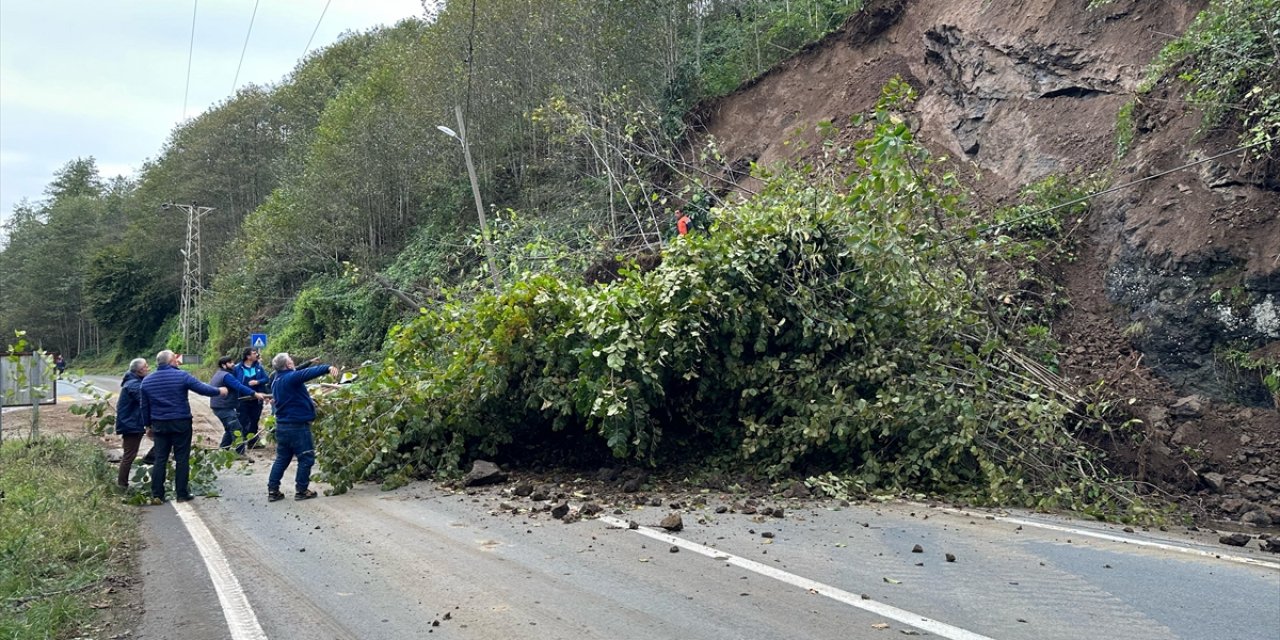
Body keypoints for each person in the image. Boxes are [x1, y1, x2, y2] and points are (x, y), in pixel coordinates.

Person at [139, 349, 227, 504]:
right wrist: (219, 391)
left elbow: (144, 407)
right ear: (172, 361)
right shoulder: (182, 376)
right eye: (175, 359)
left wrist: (147, 426)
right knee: (182, 458)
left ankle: (157, 494)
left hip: (159, 423)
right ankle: (181, 493)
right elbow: (202, 389)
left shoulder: (147, 381)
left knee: (160, 459)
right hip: (181, 422)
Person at [267, 352, 337, 502]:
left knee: (282, 459)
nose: (293, 362)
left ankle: (273, 491)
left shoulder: (276, 380)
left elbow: (292, 395)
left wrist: (308, 400)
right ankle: (302, 490)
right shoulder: (291, 377)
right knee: (306, 458)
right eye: (291, 360)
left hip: (282, 426)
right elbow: (307, 373)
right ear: (288, 365)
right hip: (297, 426)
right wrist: (327, 367)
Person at [212, 355, 266, 455]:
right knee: (237, 428)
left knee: (230, 429)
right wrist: (255, 393)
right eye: (230, 363)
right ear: (224, 365)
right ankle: (240, 453)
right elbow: (239, 386)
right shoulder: (226, 376)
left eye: (233, 362)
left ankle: (222, 451)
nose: (233, 364)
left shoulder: (219, 374)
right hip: (224, 406)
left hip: (220, 406)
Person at [114, 358, 149, 489]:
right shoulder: (133, 385)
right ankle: (122, 485)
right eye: (146, 367)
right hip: (131, 425)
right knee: (129, 455)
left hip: (132, 423)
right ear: (139, 370)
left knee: (130, 454)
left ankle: (122, 483)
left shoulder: (132, 382)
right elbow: (144, 400)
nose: (148, 369)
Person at [233, 348, 270, 449]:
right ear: (248, 356)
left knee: (254, 420)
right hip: (242, 399)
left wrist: (257, 382)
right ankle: (240, 444)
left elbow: (266, 378)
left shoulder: (258, 367)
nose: (256, 355)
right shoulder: (237, 368)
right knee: (242, 421)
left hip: (256, 399)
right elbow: (234, 383)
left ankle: (252, 441)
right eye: (254, 353)